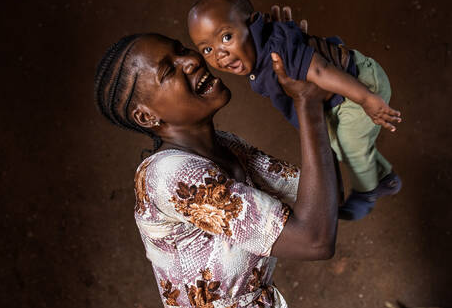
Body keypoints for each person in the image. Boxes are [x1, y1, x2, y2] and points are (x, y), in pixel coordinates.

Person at [94, 32, 338, 308]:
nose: (191, 61)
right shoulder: (171, 176)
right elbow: (315, 240)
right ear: (146, 116)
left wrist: (298, 65)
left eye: (182, 50)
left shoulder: (227, 147)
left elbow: (325, 198)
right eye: (168, 70)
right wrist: (307, 102)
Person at [187, 0, 402, 220]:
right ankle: (384, 178)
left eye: (226, 37)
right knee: (342, 147)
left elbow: (320, 70)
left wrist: (367, 99)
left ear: (252, 24)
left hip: (357, 85)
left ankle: (366, 192)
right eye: (207, 49)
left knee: (352, 145)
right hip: (337, 101)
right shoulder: (260, 54)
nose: (220, 54)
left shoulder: (277, 51)